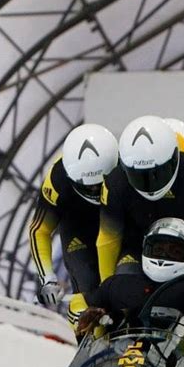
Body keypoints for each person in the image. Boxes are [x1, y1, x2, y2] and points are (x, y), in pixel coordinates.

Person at [96, 115, 184, 323]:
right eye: (139, 175)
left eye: (157, 174)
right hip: (144, 245)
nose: (149, 184)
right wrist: (107, 297)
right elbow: (108, 240)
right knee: (125, 288)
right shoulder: (114, 184)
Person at [79, 218, 184, 367]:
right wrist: (84, 323)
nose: (164, 257)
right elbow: (83, 314)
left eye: (175, 252)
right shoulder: (118, 285)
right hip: (117, 365)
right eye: (158, 250)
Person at [29, 124, 118, 330]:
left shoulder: (124, 167)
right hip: (79, 232)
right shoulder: (56, 181)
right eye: (88, 186)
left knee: (124, 281)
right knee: (88, 289)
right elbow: (39, 230)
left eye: (100, 183)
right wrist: (47, 277)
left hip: (116, 225)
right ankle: (90, 339)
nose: (95, 190)